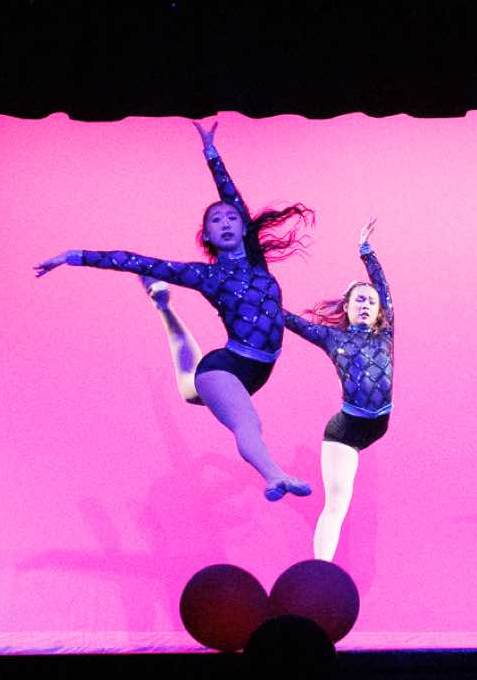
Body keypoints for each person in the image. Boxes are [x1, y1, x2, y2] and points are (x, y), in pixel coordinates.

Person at [35, 119, 313, 500]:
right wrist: (73, 256)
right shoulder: (208, 276)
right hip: (225, 368)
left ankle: (160, 304)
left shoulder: (256, 264)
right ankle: (275, 476)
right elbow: (136, 260)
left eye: (232, 218)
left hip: (254, 373)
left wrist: (211, 152)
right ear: (207, 236)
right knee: (247, 422)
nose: (225, 222)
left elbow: (230, 195)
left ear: (244, 227)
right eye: (216, 220)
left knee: (190, 389)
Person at [282, 221, 395, 560]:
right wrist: (263, 302)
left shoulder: (386, 334)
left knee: (345, 507)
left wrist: (366, 252)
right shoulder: (333, 338)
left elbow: (384, 288)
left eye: (371, 302)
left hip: (378, 423)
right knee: (336, 506)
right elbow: (293, 322)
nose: (365, 304)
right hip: (346, 431)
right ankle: (321, 568)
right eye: (358, 299)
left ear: (379, 312)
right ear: (346, 307)